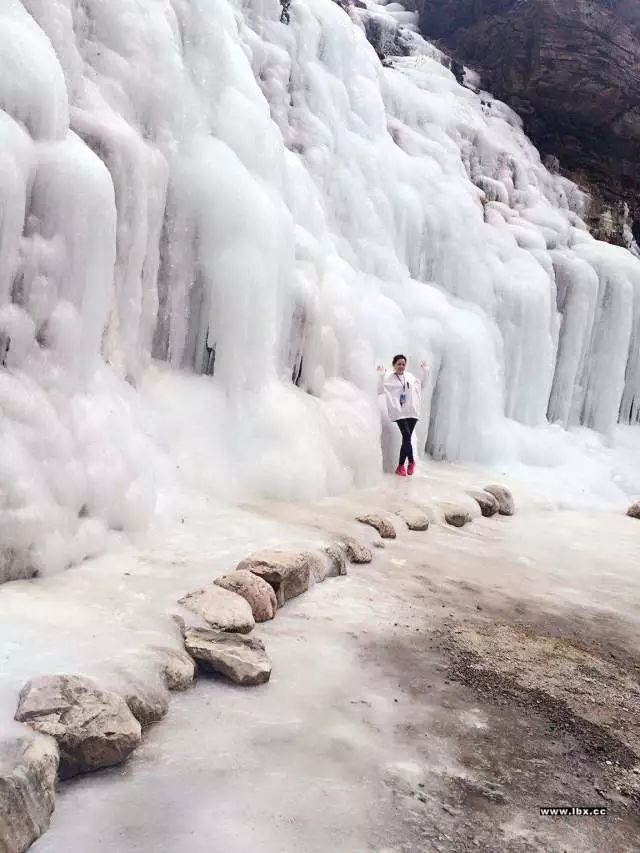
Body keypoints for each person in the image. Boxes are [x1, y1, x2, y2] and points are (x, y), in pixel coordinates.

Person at [377, 355, 428, 477]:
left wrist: (426, 371)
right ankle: (410, 462)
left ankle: (401, 467)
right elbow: (380, 388)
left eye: (403, 364)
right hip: (400, 412)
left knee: (407, 439)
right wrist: (380, 375)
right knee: (406, 436)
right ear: (394, 365)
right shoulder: (389, 378)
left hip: (412, 411)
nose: (401, 366)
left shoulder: (410, 376)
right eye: (399, 364)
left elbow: (422, 386)